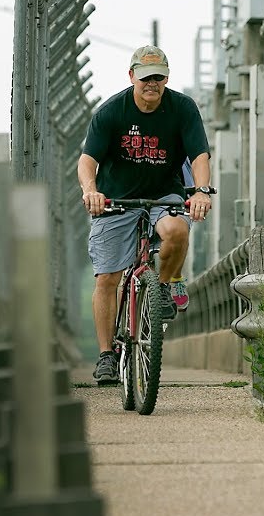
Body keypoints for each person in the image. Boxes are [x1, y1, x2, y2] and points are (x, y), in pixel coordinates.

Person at [77, 45, 213, 386]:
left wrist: (200, 190)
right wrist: (90, 191)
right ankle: (107, 354)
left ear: (166, 78)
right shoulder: (111, 112)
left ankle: (163, 287)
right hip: (115, 198)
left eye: (158, 77)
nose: (151, 83)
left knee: (177, 232)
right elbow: (87, 161)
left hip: (163, 193)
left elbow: (199, 155)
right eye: (145, 77)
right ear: (131, 77)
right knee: (107, 277)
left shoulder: (182, 108)